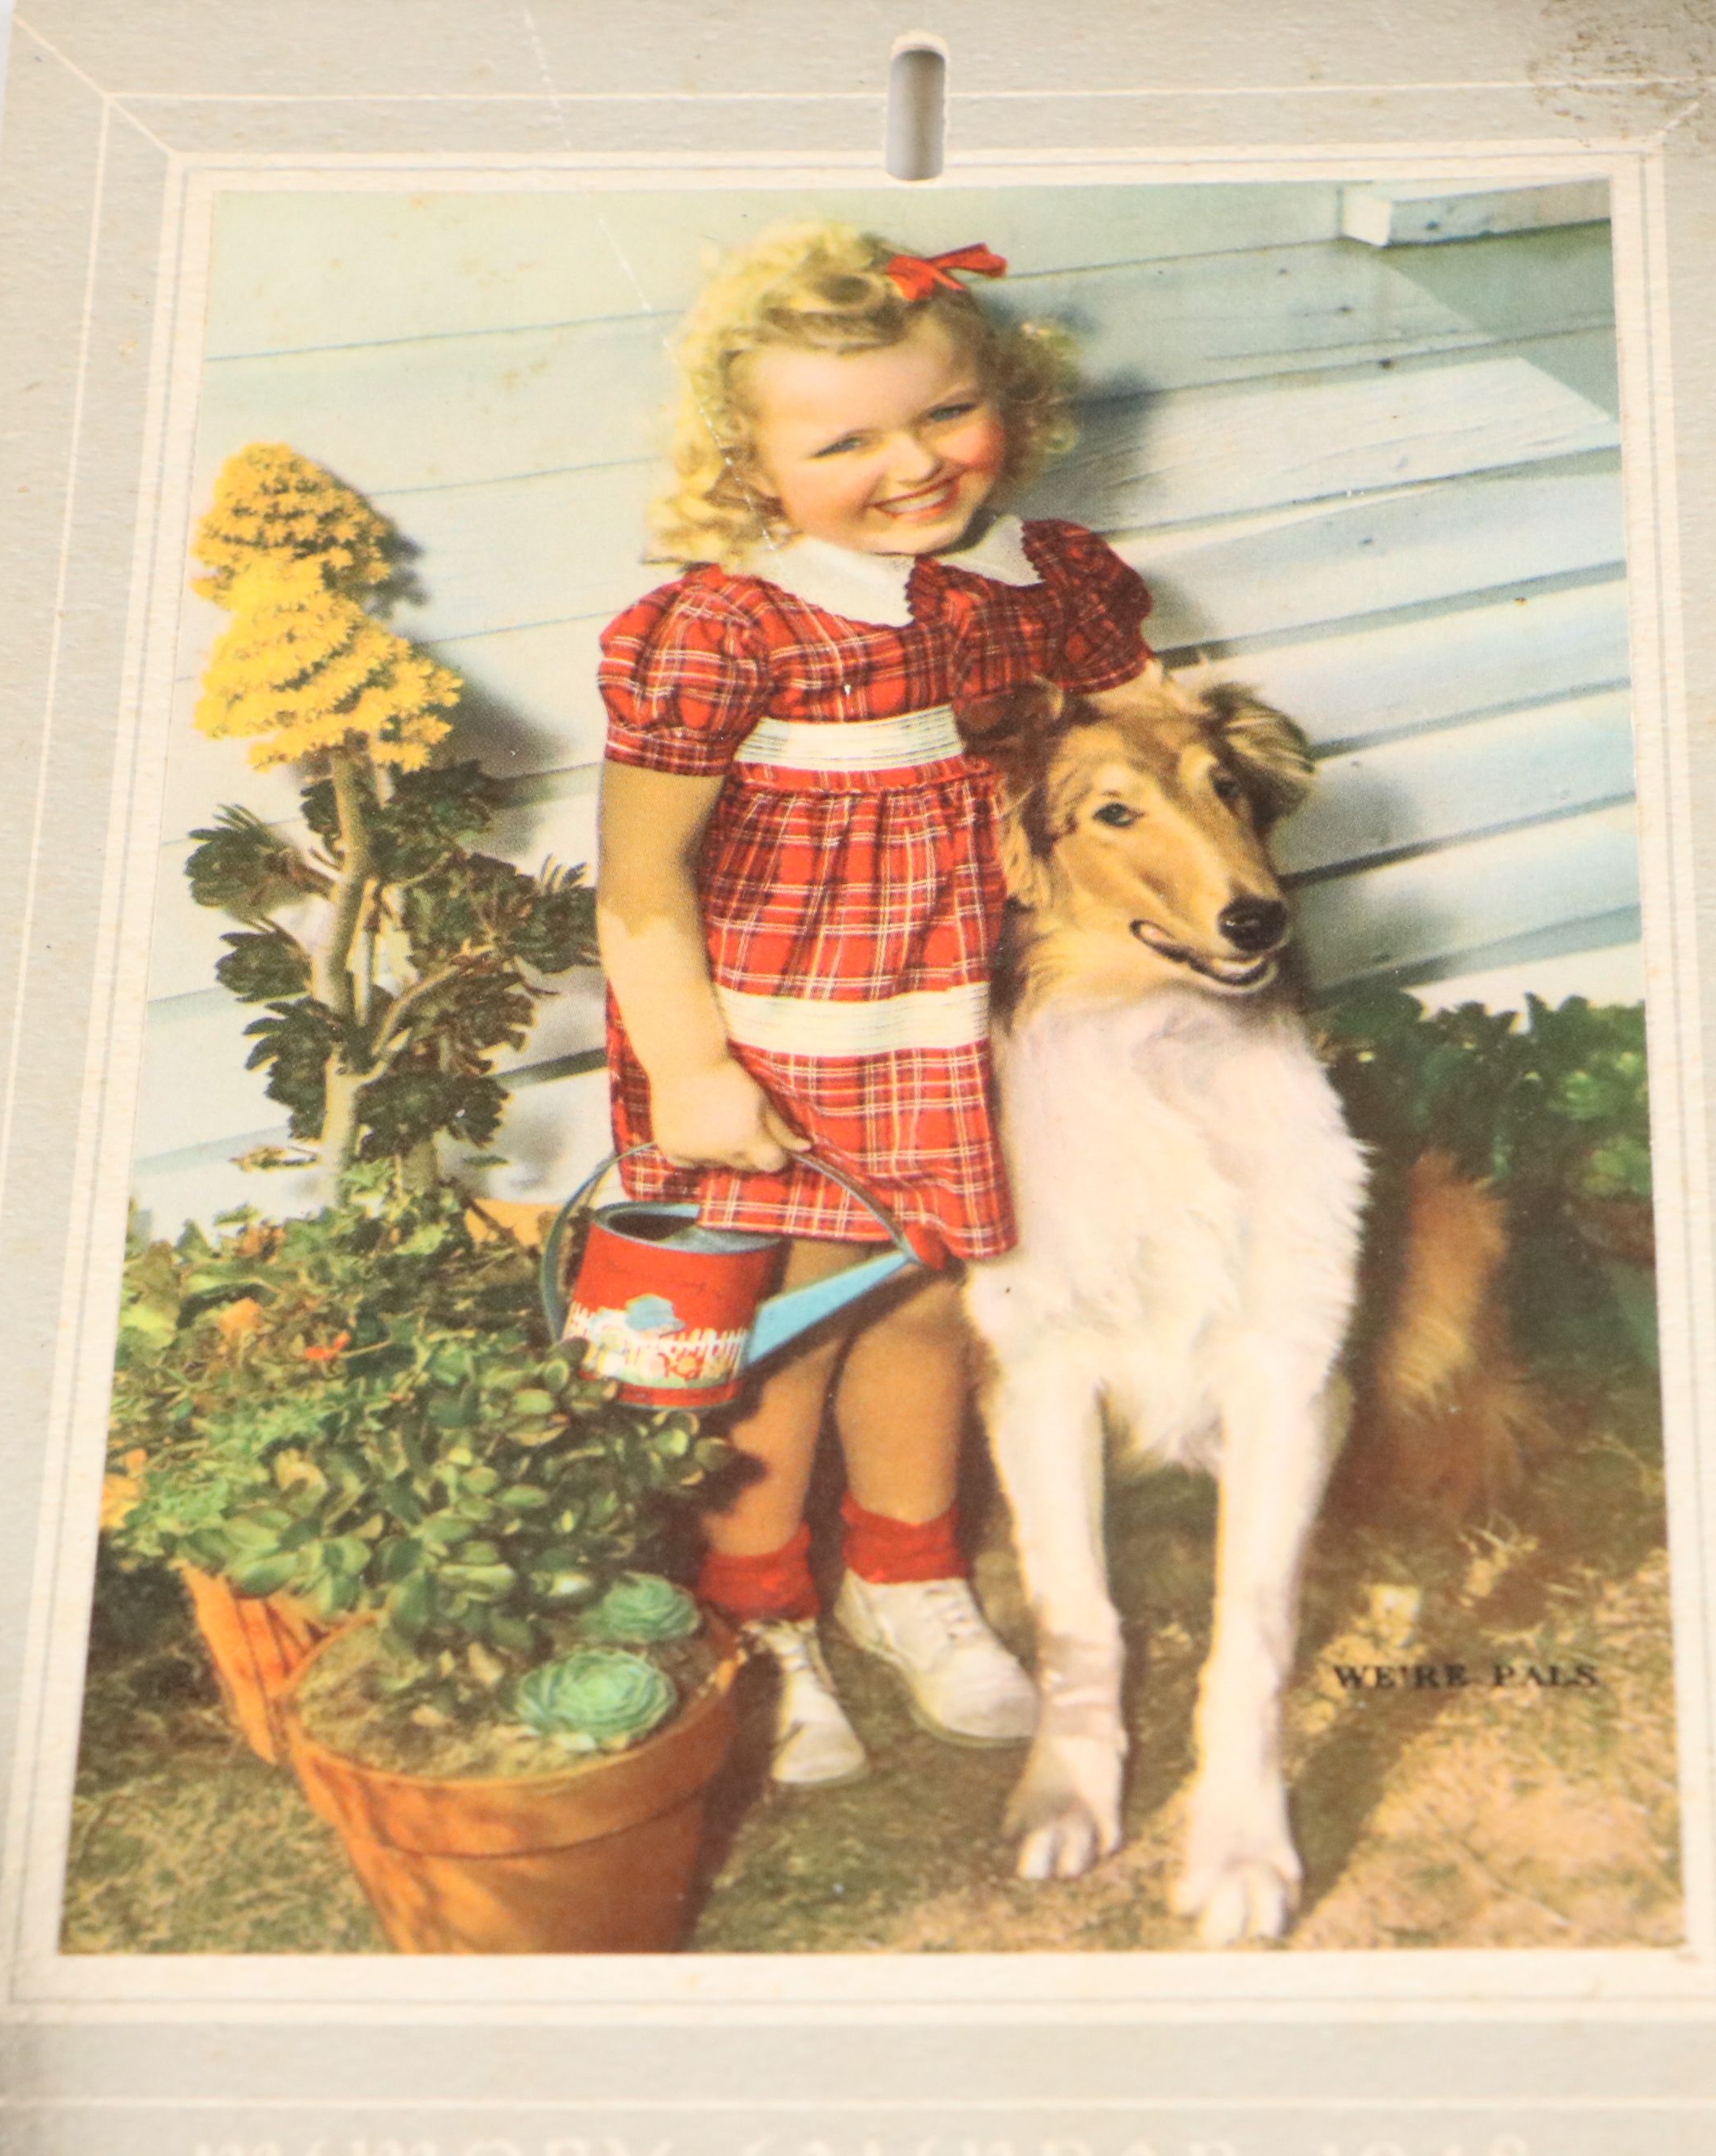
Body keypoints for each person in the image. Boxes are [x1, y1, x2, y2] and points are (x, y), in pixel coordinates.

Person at [595, 218, 1175, 1786]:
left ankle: (905, 1574)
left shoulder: (1046, 582)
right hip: (800, 1028)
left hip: (972, 1003)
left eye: (941, 413)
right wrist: (693, 1067)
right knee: (792, 1323)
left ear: (1009, 401)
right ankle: (757, 1608)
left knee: (931, 1297)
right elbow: (640, 880)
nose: (909, 463)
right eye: (842, 439)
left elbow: (1151, 752)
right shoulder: (730, 626)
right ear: (753, 462)